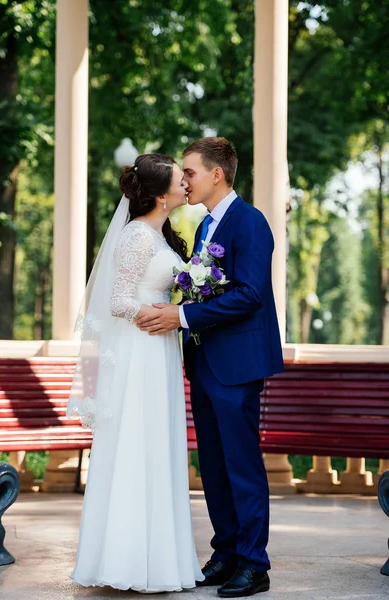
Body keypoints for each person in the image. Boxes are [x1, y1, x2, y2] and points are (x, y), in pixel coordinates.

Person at [137, 137, 284, 597]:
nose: (184, 179)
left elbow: (249, 294)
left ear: (216, 174)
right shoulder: (204, 228)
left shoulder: (250, 223)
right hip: (203, 361)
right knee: (215, 466)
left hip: (237, 364)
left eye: (191, 172)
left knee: (241, 465)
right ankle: (225, 552)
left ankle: (254, 564)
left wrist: (179, 316)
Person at [67, 153, 204, 592]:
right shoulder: (136, 237)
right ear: (161, 195)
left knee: (156, 448)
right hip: (139, 351)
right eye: (179, 180)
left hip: (158, 351)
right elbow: (117, 301)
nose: (186, 184)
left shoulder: (160, 235)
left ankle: (160, 560)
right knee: (134, 446)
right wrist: (164, 313)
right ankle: (124, 561)